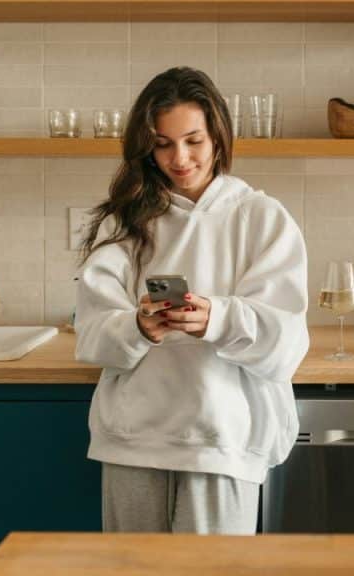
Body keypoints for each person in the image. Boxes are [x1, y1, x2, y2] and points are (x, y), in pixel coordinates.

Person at [74, 66, 309, 535]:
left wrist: (218, 318)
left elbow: (287, 345)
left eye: (193, 140)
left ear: (218, 137)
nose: (179, 158)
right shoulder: (123, 222)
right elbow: (91, 338)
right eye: (163, 143)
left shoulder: (262, 218)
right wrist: (137, 328)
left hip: (222, 440)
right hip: (132, 441)